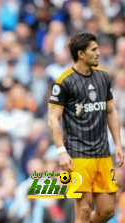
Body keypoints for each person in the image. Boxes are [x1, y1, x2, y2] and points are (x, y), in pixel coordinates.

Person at [48, 32, 124, 223]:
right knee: (83, 210)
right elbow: (53, 119)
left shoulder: (104, 78)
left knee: (107, 211)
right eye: (94, 49)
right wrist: (61, 152)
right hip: (77, 157)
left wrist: (119, 145)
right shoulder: (64, 82)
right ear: (81, 54)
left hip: (103, 155)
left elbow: (111, 112)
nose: (99, 52)